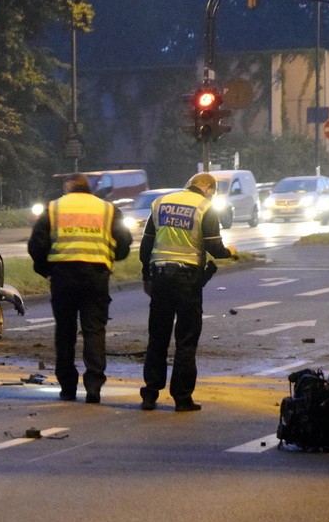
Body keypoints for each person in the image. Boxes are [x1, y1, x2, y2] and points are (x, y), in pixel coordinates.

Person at [139, 172, 238, 413]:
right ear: (207, 187)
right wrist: (229, 252)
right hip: (187, 281)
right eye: (212, 191)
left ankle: (150, 395)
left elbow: (146, 245)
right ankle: (182, 398)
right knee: (186, 339)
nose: (212, 195)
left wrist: (146, 275)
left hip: (160, 277)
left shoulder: (160, 203)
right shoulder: (205, 207)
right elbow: (214, 246)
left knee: (158, 337)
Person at [28, 174, 132, 404]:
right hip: (95, 276)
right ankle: (94, 387)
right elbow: (124, 242)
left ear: (68, 188)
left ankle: (67, 387)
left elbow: (36, 244)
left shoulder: (54, 208)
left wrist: (46, 269)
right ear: (89, 189)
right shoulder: (107, 209)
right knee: (94, 331)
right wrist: (109, 258)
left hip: (63, 277)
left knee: (65, 332)